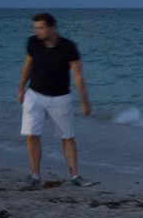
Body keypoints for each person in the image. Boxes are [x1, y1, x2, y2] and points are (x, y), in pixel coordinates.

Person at [17, 12, 93, 189]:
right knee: (32, 135)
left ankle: (75, 175)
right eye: (35, 28)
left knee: (67, 137)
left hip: (61, 98)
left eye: (41, 28)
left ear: (52, 28)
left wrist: (84, 101)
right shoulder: (33, 42)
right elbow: (27, 65)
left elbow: (78, 76)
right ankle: (35, 175)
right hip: (34, 95)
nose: (38, 32)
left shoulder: (68, 47)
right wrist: (21, 88)